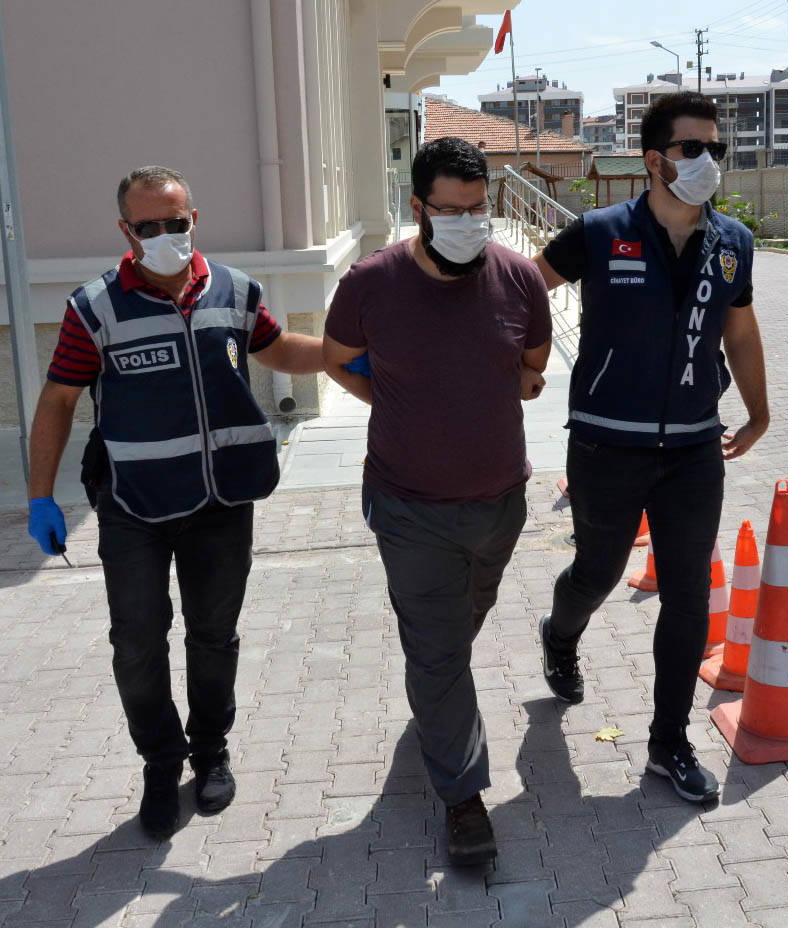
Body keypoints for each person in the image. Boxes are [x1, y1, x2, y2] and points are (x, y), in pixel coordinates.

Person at [26, 166, 324, 840]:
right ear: (126, 231)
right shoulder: (94, 308)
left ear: (195, 219)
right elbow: (59, 398)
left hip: (221, 501)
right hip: (134, 505)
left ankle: (210, 750)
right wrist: (40, 496)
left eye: (176, 222)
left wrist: (346, 353)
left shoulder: (235, 291)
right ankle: (161, 763)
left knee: (214, 635)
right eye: (148, 226)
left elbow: (280, 349)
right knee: (137, 642)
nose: (165, 234)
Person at [533, 92, 769, 802]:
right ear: (655, 160)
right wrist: (521, 363)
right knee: (597, 573)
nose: (708, 161)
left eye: (716, 149)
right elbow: (520, 291)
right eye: (693, 148)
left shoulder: (733, 242)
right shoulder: (600, 231)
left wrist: (758, 413)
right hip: (606, 444)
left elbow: (740, 330)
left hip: (694, 446)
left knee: (689, 593)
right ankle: (560, 634)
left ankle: (669, 743)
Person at [322, 137, 551, 865]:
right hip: (408, 504)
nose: (466, 222)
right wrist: (392, 397)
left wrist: (502, 387)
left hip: (499, 502)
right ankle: (462, 797)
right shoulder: (371, 282)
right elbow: (336, 359)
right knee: (439, 649)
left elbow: (532, 367)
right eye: (449, 210)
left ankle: (437, 697)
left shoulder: (519, 278)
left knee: (459, 628)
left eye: (477, 209)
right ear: (418, 207)